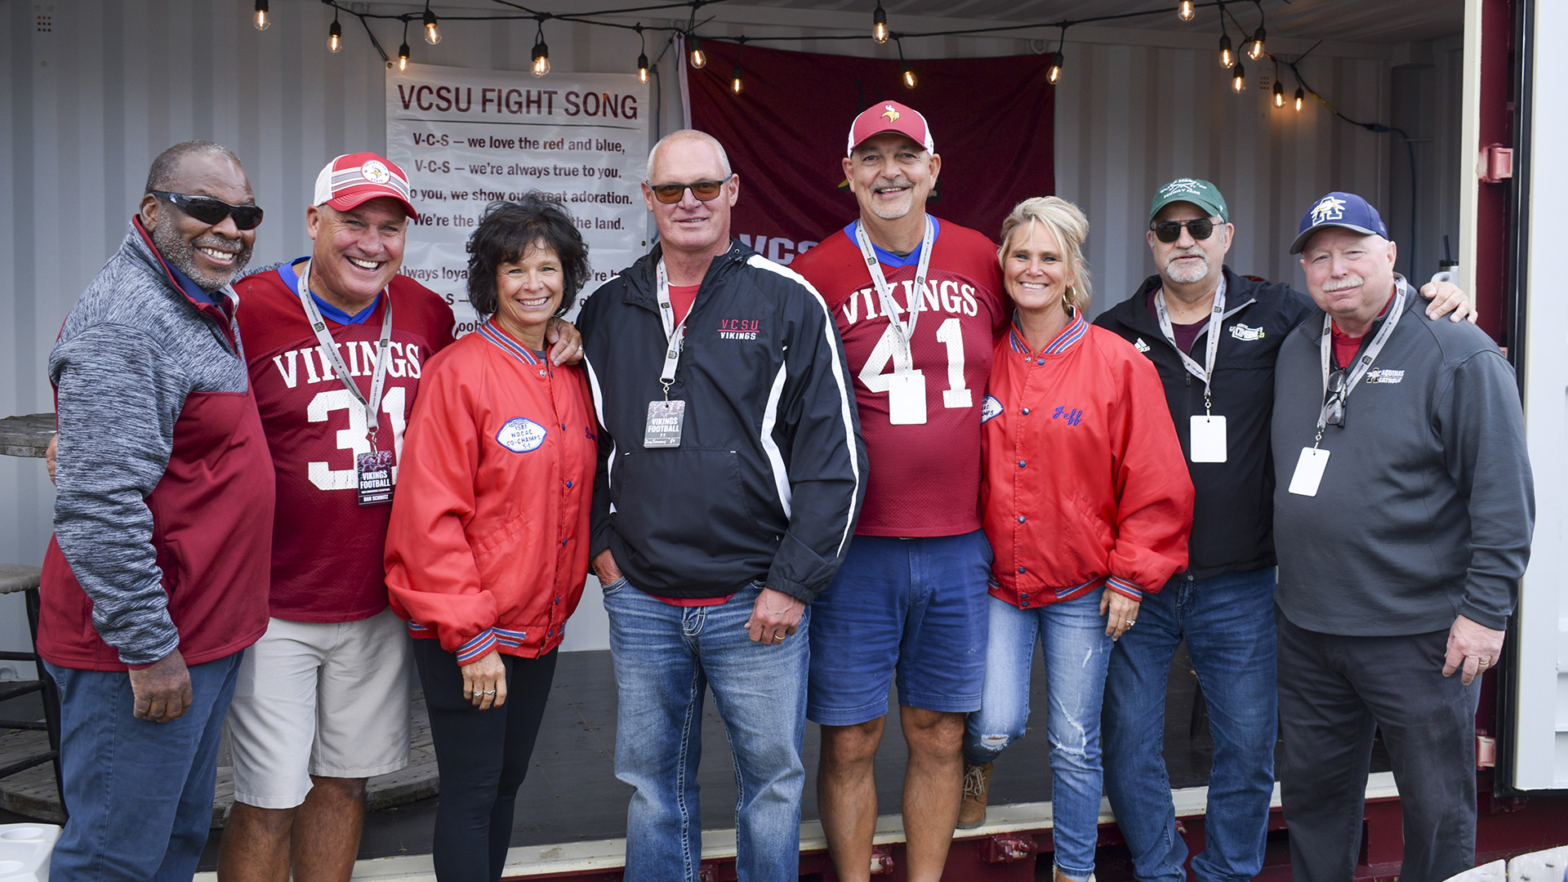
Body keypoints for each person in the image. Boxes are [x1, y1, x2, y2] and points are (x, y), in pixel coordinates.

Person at [1091, 178, 1473, 882]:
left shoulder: (1280, 315)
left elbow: (1360, 304)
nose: (1184, 241)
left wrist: (1429, 297)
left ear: (1226, 236)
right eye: (1168, 229)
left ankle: (1229, 872)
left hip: (1241, 578)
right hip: (1141, 581)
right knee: (1130, 739)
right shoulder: (1115, 332)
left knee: (1246, 744)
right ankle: (1160, 871)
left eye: (1199, 227)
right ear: (1151, 241)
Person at [577, 129, 865, 882]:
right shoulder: (606, 310)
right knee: (650, 788)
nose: (689, 203)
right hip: (641, 597)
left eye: (705, 186)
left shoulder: (787, 301)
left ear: (734, 191)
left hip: (755, 601)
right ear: (648, 199)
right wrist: (603, 556)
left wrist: (793, 584)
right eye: (670, 190)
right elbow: (578, 449)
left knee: (770, 787)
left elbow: (833, 462)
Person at [1270, 192, 1532, 882]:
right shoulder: (1300, 343)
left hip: (1419, 637)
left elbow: (1504, 495)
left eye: (1354, 251)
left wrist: (1485, 614)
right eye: (1319, 258)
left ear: (1390, 255)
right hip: (1308, 628)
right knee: (1315, 802)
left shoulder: (1457, 351)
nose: (1337, 270)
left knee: (1437, 806)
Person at [216, 152, 461, 882]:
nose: (372, 243)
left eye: (390, 228)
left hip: (377, 598)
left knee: (345, 782)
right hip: (273, 604)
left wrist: (559, 342)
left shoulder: (427, 313)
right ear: (314, 221)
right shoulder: (246, 308)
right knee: (267, 798)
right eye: (354, 222)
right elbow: (158, 375)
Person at [38, 140, 275, 880]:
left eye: (244, 214)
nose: (228, 229)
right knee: (113, 859)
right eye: (204, 208)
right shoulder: (126, 318)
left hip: (203, 636)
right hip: (140, 650)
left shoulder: (206, 298)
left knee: (172, 843)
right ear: (151, 211)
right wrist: (146, 647)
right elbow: (99, 505)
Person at [787, 101, 1009, 882]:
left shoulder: (985, 257)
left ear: (934, 169)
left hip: (958, 543)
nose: (890, 172)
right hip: (857, 549)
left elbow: (1050, 344)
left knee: (940, 731)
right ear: (847, 173)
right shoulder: (815, 272)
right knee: (850, 737)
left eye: (905, 156)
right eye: (871, 158)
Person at [960, 196, 1194, 882]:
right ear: (1003, 264)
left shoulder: (1119, 365)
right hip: (999, 582)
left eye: (1049, 258)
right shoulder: (982, 360)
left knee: (1073, 743)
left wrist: (1131, 576)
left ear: (1071, 272)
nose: (1033, 269)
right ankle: (980, 763)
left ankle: (1075, 870)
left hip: (1080, 588)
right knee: (994, 722)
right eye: (1021, 255)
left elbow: (1156, 481)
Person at [383, 196, 597, 882]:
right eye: (515, 269)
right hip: (470, 636)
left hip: (539, 628)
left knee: (505, 786)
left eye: (549, 267)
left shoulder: (569, 372)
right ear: (489, 282)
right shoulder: (459, 371)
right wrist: (473, 640)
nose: (534, 283)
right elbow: (428, 518)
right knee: (473, 794)